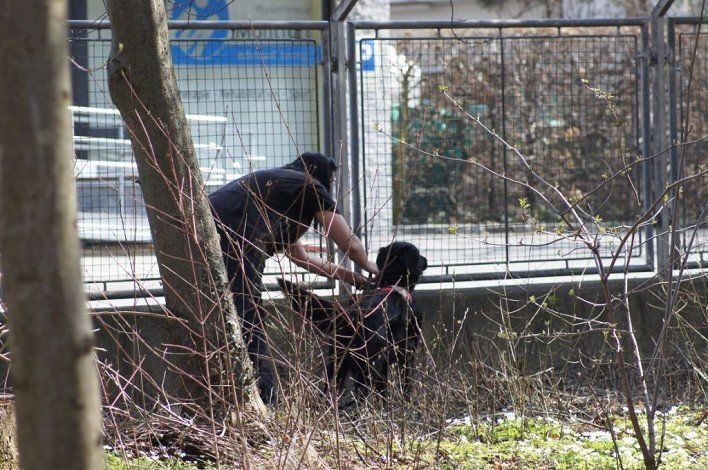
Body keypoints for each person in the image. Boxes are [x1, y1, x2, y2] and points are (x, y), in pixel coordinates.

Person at [209, 152, 379, 403]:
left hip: (207, 237)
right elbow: (350, 244)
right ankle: (264, 398)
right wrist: (373, 268)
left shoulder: (282, 188)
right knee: (248, 319)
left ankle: (231, 395)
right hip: (235, 242)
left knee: (224, 316)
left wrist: (352, 277)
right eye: (330, 182)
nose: (330, 188)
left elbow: (301, 258)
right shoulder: (310, 186)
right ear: (320, 175)